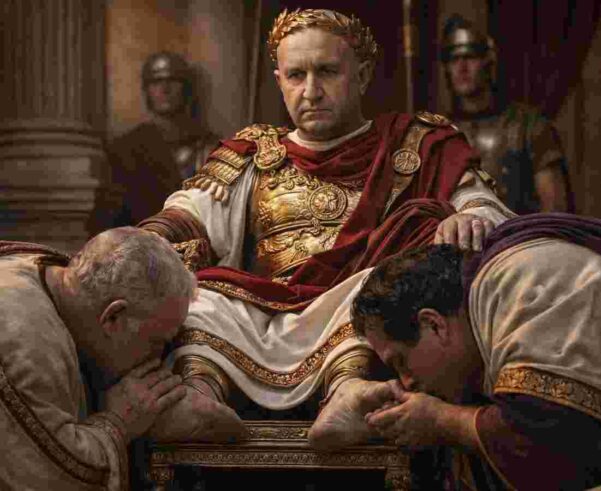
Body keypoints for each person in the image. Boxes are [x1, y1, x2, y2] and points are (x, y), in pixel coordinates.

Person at [140, 8, 515, 450]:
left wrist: (467, 215)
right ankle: (200, 393)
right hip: (263, 308)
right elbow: (190, 214)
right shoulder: (252, 153)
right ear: (279, 80)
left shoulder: (416, 144)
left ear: (363, 75)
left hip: (358, 297)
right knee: (200, 299)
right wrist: (150, 239)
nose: (311, 91)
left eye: (327, 72)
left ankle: (349, 391)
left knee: (376, 290)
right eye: (296, 75)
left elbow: (480, 204)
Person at [352, 213, 601, 490]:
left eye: (401, 362)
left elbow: (562, 447)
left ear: (434, 324)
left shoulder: (519, 282)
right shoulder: (484, 309)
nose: (407, 382)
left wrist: (443, 420)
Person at [0, 228, 215, 490]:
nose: (157, 359)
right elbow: (53, 477)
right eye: (156, 342)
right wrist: (118, 423)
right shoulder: (25, 343)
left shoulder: (41, 270)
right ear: (113, 317)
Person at [442, 15, 572, 214]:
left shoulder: (528, 125)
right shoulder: (443, 132)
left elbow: (554, 209)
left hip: (520, 232)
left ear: (488, 61)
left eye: (470, 57)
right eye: (454, 59)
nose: (462, 68)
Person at [89, 51, 217, 233]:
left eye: (173, 81)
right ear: (146, 90)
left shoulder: (210, 146)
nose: (165, 89)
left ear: (185, 89)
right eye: (156, 82)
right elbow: (106, 220)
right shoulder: (124, 149)